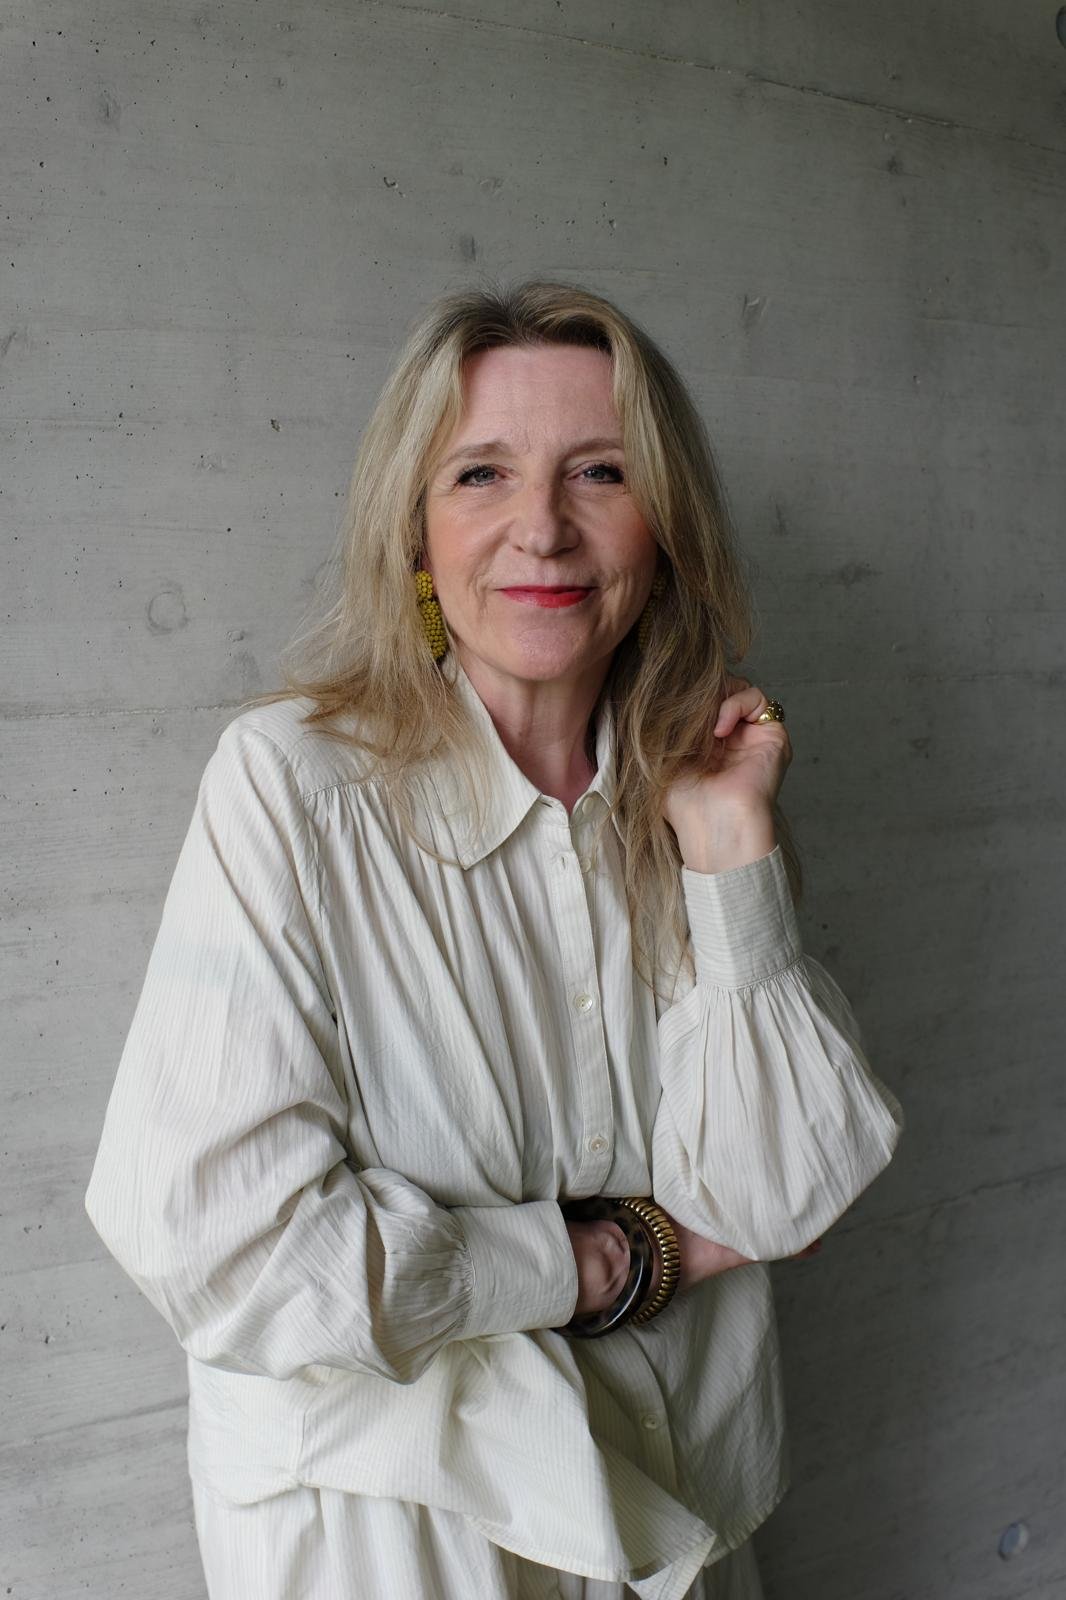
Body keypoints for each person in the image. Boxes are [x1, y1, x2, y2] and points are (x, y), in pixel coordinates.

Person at [85, 279, 904, 1600]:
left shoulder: (691, 796)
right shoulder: (291, 789)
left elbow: (779, 1197)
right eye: (480, 474)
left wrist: (729, 842)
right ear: (414, 532)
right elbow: (217, 1246)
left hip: (670, 1506)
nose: (543, 528)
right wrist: (587, 1263)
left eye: (599, 471)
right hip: (401, 1533)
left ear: (666, 526)